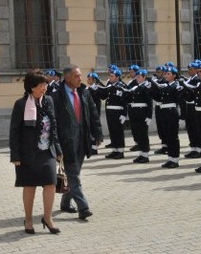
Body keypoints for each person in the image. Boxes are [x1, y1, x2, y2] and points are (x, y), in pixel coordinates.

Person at [9, 70, 62, 234]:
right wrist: (15, 155)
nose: (45, 88)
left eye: (46, 84)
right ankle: (29, 220)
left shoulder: (49, 101)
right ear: (32, 87)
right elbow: (14, 131)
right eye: (41, 85)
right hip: (27, 153)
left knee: (51, 184)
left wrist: (58, 149)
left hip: (47, 151)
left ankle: (48, 218)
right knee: (30, 186)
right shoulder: (21, 104)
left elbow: (53, 127)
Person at [51, 65, 103, 220]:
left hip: (82, 139)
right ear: (67, 78)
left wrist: (97, 133)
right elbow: (53, 122)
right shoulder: (56, 96)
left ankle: (65, 203)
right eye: (76, 76)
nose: (80, 79)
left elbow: (93, 114)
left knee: (73, 173)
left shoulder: (84, 92)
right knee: (73, 174)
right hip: (65, 141)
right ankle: (83, 207)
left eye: (80, 75)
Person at [151, 67, 183, 168]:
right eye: (165, 74)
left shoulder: (176, 85)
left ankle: (175, 159)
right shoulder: (166, 86)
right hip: (164, 112)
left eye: (168, 74)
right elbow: (158, 98)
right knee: (168, 136)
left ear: (174, 76)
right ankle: (170, 158)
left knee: (173, 137)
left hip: (171, 112)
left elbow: (179, 99)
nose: (165, 75)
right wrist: (152, 87)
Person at [99, 68, 128, 159]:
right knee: (112, 131)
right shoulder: (110, 86)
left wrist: (124, 114)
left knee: (118, 132)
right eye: (110, 76)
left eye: (112, 76)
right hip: (110, 112)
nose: (110, 77)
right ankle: (115, 150)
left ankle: (120, 151)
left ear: (117, 77)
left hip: (118, 112)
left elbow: (125, 101)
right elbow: (103, 97)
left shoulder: (121, 86)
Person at [126, 69, 153, 163]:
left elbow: (149, 102)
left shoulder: (146, 87)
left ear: (144, 77)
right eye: (136, 77)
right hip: (135, 113)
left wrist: (149, 116)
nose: (137, 78)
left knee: (143, 135)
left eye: (139, 77)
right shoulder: (136, 87)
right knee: (137, 134)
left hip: (142, 113)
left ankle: (145, 155)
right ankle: (141, 154)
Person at [182, 61, 201, 158]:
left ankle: (199, 149)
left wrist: (183, 83)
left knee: (195, 128)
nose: (189, 71)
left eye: (191, 69)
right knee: (190, 128)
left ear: (197, 70)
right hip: (188, 105)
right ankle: (193, 148)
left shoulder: (198, 79)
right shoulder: (190, 79)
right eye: (188, 69)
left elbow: (194, 89)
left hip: (194, 106)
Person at [151, 65, 168, 154]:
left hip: (165, 107)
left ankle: (169, 146)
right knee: (160, 127)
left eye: (159, 72)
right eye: (157, 72)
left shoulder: (166, 81)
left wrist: (153, 82)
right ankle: (164, 146)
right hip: (158, 106)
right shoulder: (156, 81)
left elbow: (160, 88)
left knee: (166, 127)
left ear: (164, 73)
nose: (157, 74)